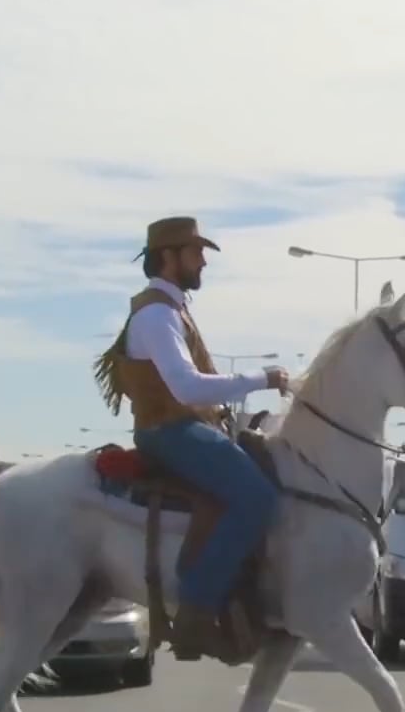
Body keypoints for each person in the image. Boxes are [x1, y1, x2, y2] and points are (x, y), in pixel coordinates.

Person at [93, 216, 289, 662]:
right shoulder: (157, 315)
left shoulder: (173, 309)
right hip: (170, 433)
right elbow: (187, 388)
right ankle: (197, 611)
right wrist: (262, 378)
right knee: (257, 497)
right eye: (196, 252)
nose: (203, 262)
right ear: (169, 257)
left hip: (186, 426)